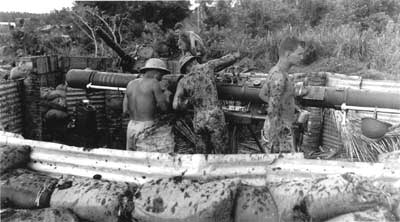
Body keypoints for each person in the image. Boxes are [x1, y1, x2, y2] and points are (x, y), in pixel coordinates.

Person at [173, 52, 240, 154]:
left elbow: (176, 105)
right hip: (214, 117)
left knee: (202, 154)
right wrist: (236, 55)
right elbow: (227, 59)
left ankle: (204, 169)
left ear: (185, 68)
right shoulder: (208, 67)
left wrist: (186, 104)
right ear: (193, 61)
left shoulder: (183, 81)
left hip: (198, 120)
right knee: (221, 152)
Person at [259, 36, 306, 153]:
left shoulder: (277, 72)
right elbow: (273, 109)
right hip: (280, 131)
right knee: (282, 168)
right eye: (299, 54)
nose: (302, 57)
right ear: (288, 54)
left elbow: (263, 94)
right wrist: (276, 141)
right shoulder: (279, 76)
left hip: (281, 128)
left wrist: (287, 104)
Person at [123, 58, 175, 152]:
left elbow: (125, 111)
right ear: (156, 72)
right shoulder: (154, 83)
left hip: (131, 126)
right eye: (161, 74)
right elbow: (164, 107)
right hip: (146, 127)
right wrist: (166, 95)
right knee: (146, 160)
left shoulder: (130, 83)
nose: (161, 78)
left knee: (131, 158)